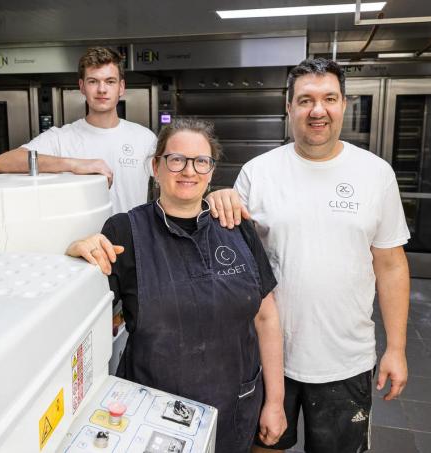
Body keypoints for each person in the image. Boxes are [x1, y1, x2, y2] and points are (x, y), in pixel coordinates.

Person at [207, 58, 411, 453]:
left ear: (344, 104)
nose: (318, 110)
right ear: (289, 108)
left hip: (345, 358)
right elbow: (229, 261)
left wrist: (396, 349)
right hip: (267, 356)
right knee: (264, 449)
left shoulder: (376, 174)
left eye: (329, 99)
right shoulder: (258, 173)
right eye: (305, 100)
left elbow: (391, 266)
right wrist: (216, 198)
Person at [66, 118, 287, 452]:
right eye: (176, 159)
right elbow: (80, 314)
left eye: (200, 161)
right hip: (150, 409)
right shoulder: (125, 231)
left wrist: (275, 402)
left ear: (211, 171)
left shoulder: (236, 226)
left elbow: (266, 316)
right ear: (156, 167)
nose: (188, 171)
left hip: (233, 407)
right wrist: (74, 258)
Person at [0, 46, 156, 214]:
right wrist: (73, 164)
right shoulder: (61, 138)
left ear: (121, 87)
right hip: (82, 232)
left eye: (110, 81)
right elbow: (2, 162)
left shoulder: (144, 138)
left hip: (131, 232)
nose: (102, 89)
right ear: (82, 86)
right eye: (93, 81)